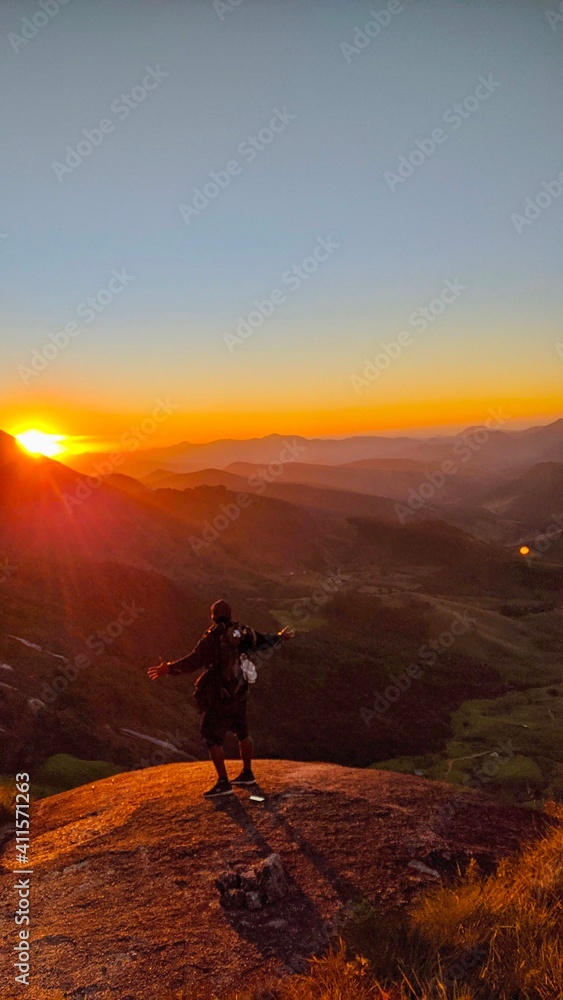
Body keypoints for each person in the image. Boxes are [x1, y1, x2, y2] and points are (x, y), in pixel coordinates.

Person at [148, 599, 294, 797]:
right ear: (230, 614)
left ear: (213, 615)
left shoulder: (213, 638)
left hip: (220, 695)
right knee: (243, 732)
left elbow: (193, 661)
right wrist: (280, 637)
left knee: (211, 737)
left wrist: (169, 669)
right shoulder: (242, 632)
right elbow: (262, 641)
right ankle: (247, 773)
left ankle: (223, 783)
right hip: (240, 691)